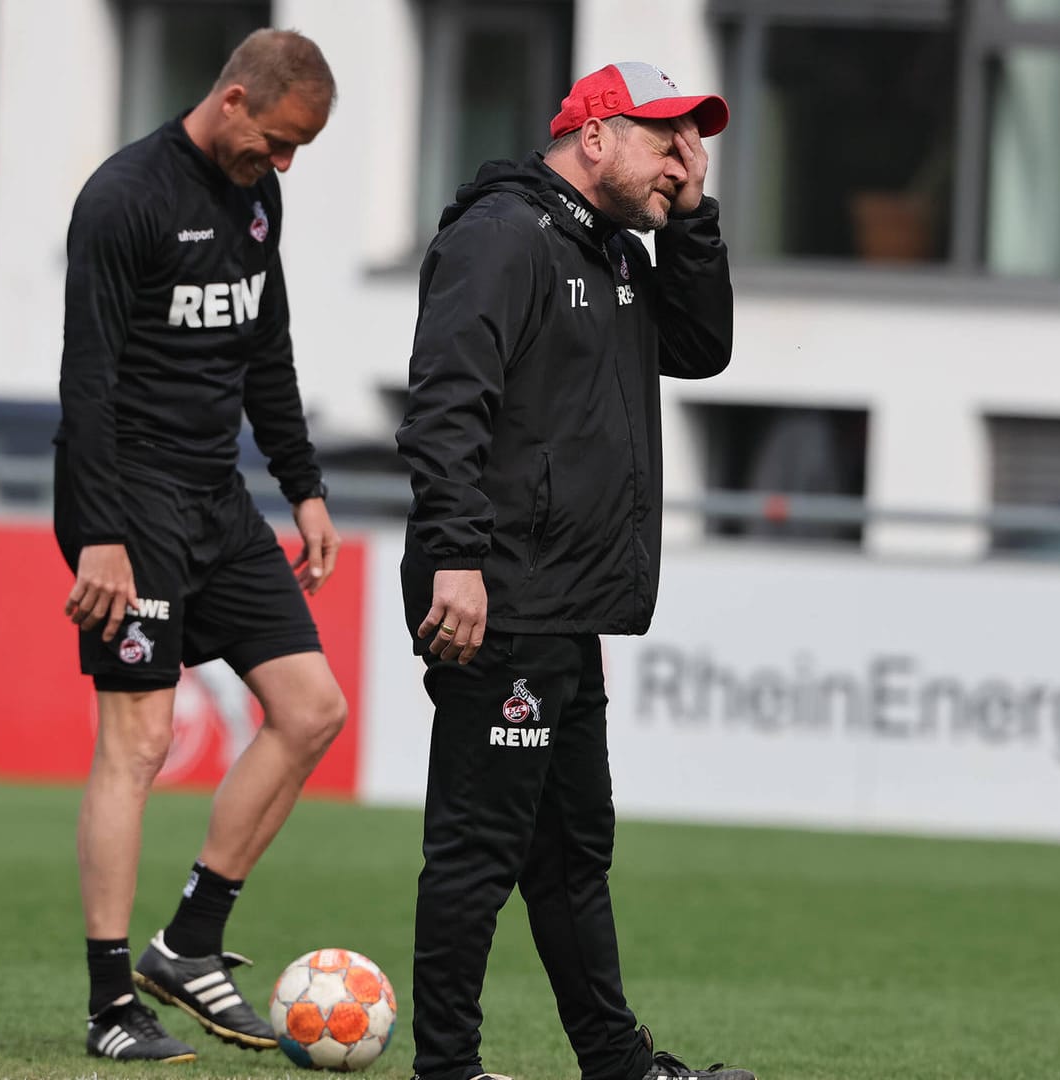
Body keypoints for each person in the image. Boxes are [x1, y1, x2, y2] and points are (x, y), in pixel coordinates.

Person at [396, 62, 754, 1080]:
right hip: (496, 593)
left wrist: (691, 217)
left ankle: (617, 1064)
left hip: (563, 605)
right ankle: (448, 1070)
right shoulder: (502, 236)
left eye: (694, 141)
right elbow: (442, 408)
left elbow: (702, 348)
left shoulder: (616, 250)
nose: (683, 159)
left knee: (570, 853)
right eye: (664, 138)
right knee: (480, 847)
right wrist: (458, 559)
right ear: (593, 136)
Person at [53, 28, 348, 1064]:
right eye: (275, 140)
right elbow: (84, 383)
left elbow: (266, 350)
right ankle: (107, 1005)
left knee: (314, 710)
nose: (284, 162)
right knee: (138, 745)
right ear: (231, 101)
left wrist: (304, 488)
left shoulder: (259, 196)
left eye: (298, 148)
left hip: (217, 501)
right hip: (130, 508)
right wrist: (99, 535)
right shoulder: (124, 198)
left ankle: (189, 944)